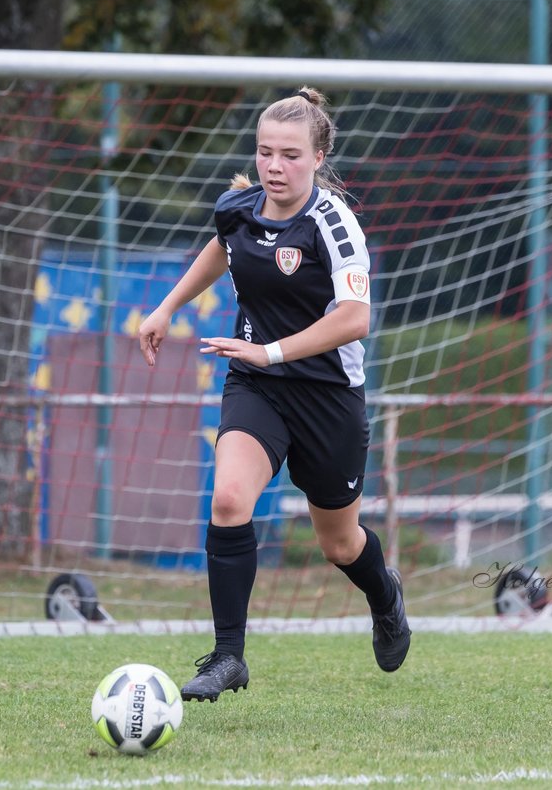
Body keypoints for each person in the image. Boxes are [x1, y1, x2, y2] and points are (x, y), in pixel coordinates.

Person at [137, 86, 411, 702]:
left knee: (339, 543)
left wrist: (273, 349)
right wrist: (166, 308)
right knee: (230, 498)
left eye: (290, 155)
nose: (274, 167)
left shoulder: (333, 223)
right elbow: (222, 246)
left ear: (318, 158)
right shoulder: (241, 207)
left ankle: (384, 594)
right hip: (256, 384)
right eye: (265, 153)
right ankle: (228, 656)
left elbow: (355, 318)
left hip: (328, 396)